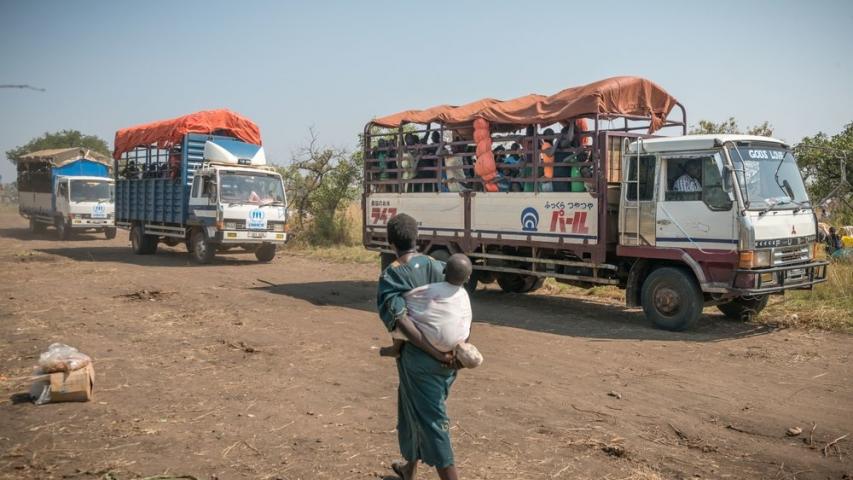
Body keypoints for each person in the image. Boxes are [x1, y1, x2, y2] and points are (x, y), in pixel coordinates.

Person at [377, 213, 463, 480]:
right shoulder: (439, 266)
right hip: (450, 356)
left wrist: (432, 352)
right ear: (418, 239)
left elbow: (400, 320)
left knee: (432, 421)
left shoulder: (392, 275)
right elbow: (458, 305)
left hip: (421, 360)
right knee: (410, 407)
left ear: (390, 242)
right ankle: (408, 470)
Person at [379, 253, 483, 369]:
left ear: (443, 271)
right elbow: (468, 321)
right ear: (468, 278)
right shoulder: (464, 296)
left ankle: (395, 348)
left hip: (431, 347)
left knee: (403, 316)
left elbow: (403, 304)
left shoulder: (428, 290)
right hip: (456, 346)